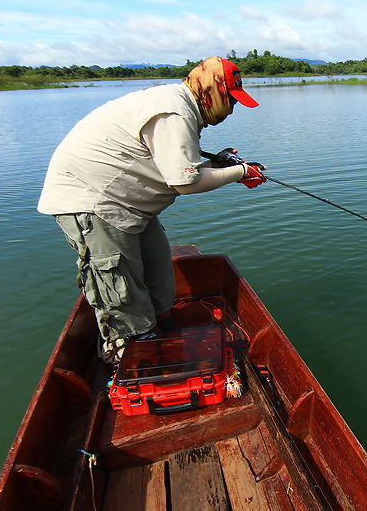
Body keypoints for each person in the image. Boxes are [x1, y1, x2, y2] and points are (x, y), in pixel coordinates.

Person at [37, 56, 266, 363]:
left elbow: (180, 162)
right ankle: (132, 352)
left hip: (130, 206)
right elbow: (186, 181)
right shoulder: (174, 111)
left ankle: (162, 330)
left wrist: (219, 163)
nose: (232, 109)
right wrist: (241, 173)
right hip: (93, 203)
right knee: (123, 294)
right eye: (231, 100)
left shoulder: (183, 105)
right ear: (212, 90)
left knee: (159, 272)